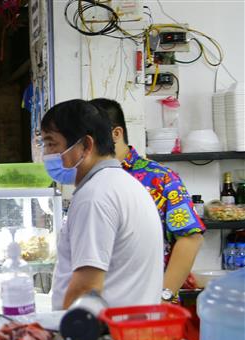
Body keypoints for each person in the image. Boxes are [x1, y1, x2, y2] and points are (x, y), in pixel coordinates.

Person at [41, 100, 164, 310]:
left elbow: (86, 288)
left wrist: (61, 336)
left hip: (101, 337)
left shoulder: (94, 196)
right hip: (127, 330)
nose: (46, 155)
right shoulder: (124, 184)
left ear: (86, 146)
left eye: (52, 144)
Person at [89, 98, 205, 302]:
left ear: (116, 134)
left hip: (150, 303)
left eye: (90, 137)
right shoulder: (93, 179)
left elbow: (190, 238)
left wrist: (164, 296)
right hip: (105, 301)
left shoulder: (159, 178)